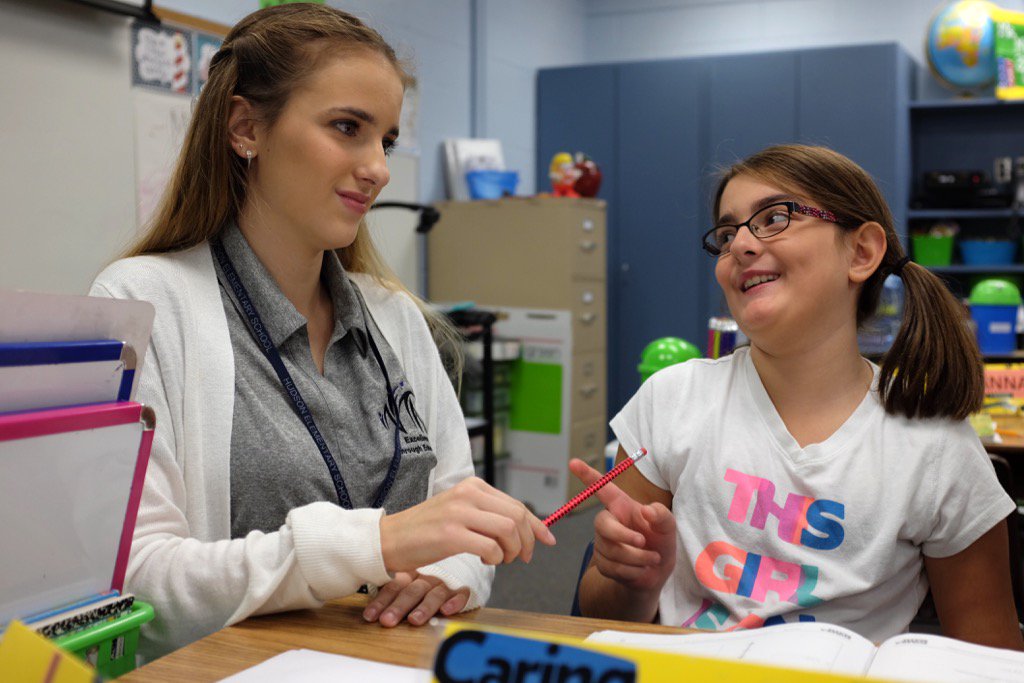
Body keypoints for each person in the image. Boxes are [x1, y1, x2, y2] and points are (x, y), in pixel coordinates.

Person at [90, 4, 554, 660]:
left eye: (386, 140)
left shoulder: (393, 317)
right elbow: (141, 586)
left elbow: (456, 508)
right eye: (348, 128)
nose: (379, 167)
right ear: (246, 127)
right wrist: (379, 545)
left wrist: (447, 573)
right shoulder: (143, 302)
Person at [571, 144, 1024, 649]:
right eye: (726, 233)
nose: (740, 245)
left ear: (861, 253)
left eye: (774, 217)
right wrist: (636, 580)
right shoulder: (672, 400)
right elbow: (599, 612)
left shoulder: (934, 446)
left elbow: (990, 654)